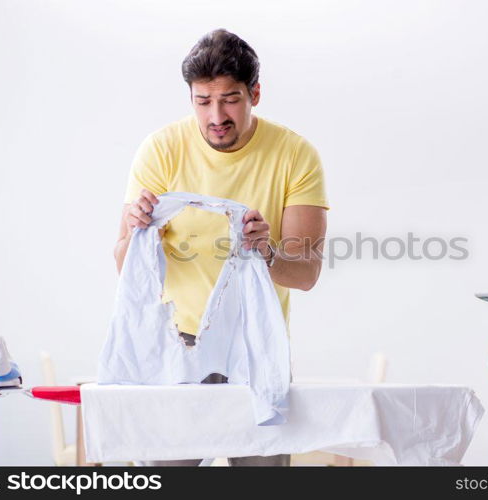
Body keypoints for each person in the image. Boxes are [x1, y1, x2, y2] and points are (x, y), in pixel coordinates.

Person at [113, 28, 330, 466]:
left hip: (257, 348)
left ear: (255, 94)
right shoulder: (161, 149)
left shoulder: (295, 154)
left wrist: (266, 251)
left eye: (230, 99)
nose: (216, 116)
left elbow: (305, 274)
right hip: (176, 347)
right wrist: (140, 236)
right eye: (202, 101)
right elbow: (123, 264)